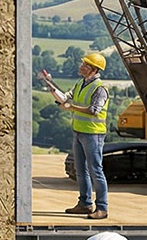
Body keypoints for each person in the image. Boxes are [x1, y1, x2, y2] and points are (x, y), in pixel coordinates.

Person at [42, 52, 110, 220]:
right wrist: (52, 88)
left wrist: (71, 107)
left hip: (93, 134)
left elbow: (94, 110)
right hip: (79, 131)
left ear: (94, 70)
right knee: (81, 170)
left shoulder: (100, 89)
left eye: (86, 65)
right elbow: (66, 98)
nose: (82, 66)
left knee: (96, 170)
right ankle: (85, 204)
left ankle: (102, 207)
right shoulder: (80, 83)